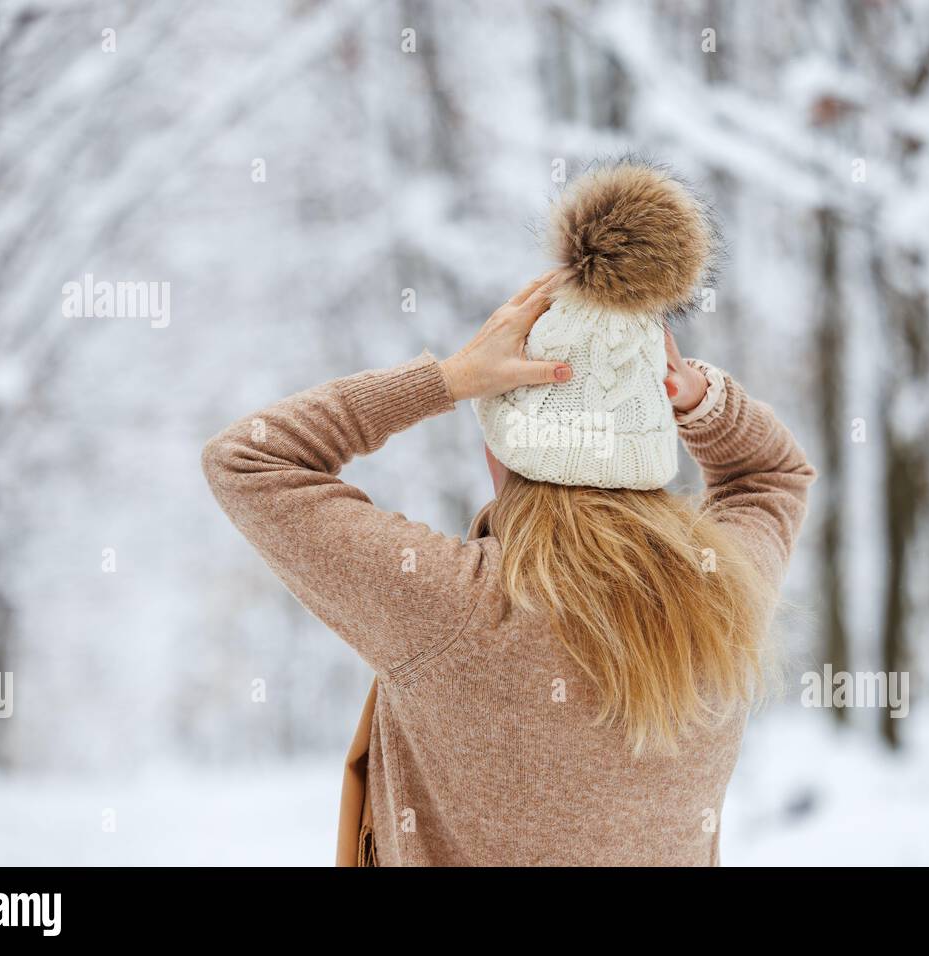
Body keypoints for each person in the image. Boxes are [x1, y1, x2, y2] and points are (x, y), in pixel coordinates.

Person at [202, 160, 816, 865]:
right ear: (652, 437)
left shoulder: (453, 604)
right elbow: (771, 474)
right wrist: (700, 396)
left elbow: (247, 459)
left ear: (501, 453)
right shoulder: (721, 595)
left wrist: (446, 379)